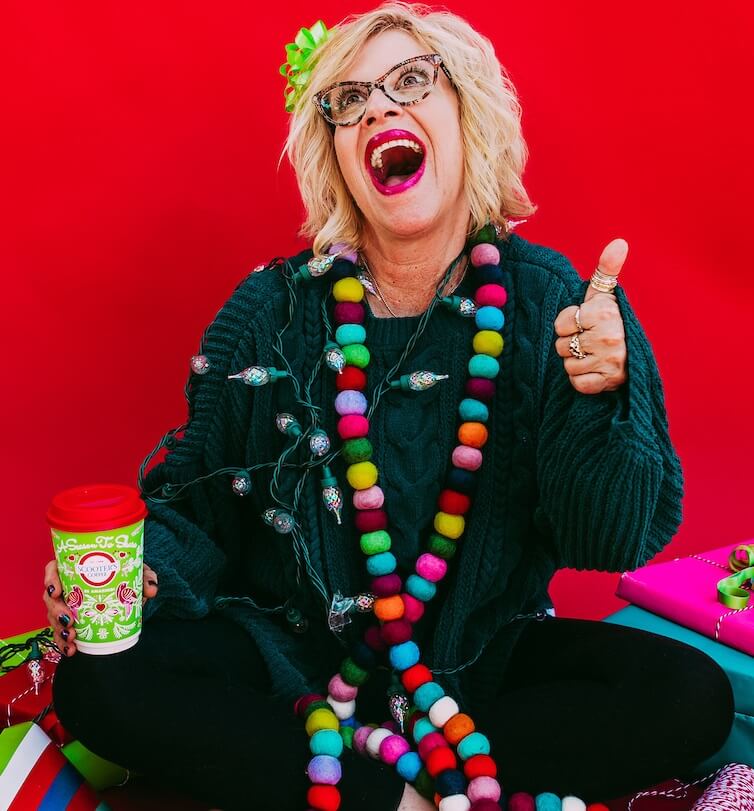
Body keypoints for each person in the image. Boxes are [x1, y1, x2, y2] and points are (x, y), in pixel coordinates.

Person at [46, 3, 734, 809]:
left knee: (689, 693)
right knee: (98, 682)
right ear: (334, 151)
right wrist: (136, 573)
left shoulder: (557, 305)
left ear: (467, 113)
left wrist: (603, 391)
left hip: (478, 664)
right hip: (292, 664)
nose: (378, 108)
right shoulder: (269, 313)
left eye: (411, 81)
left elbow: (607, 538)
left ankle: (361, 785)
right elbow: (197, 509)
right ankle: (408, 798)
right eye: (350, 100)